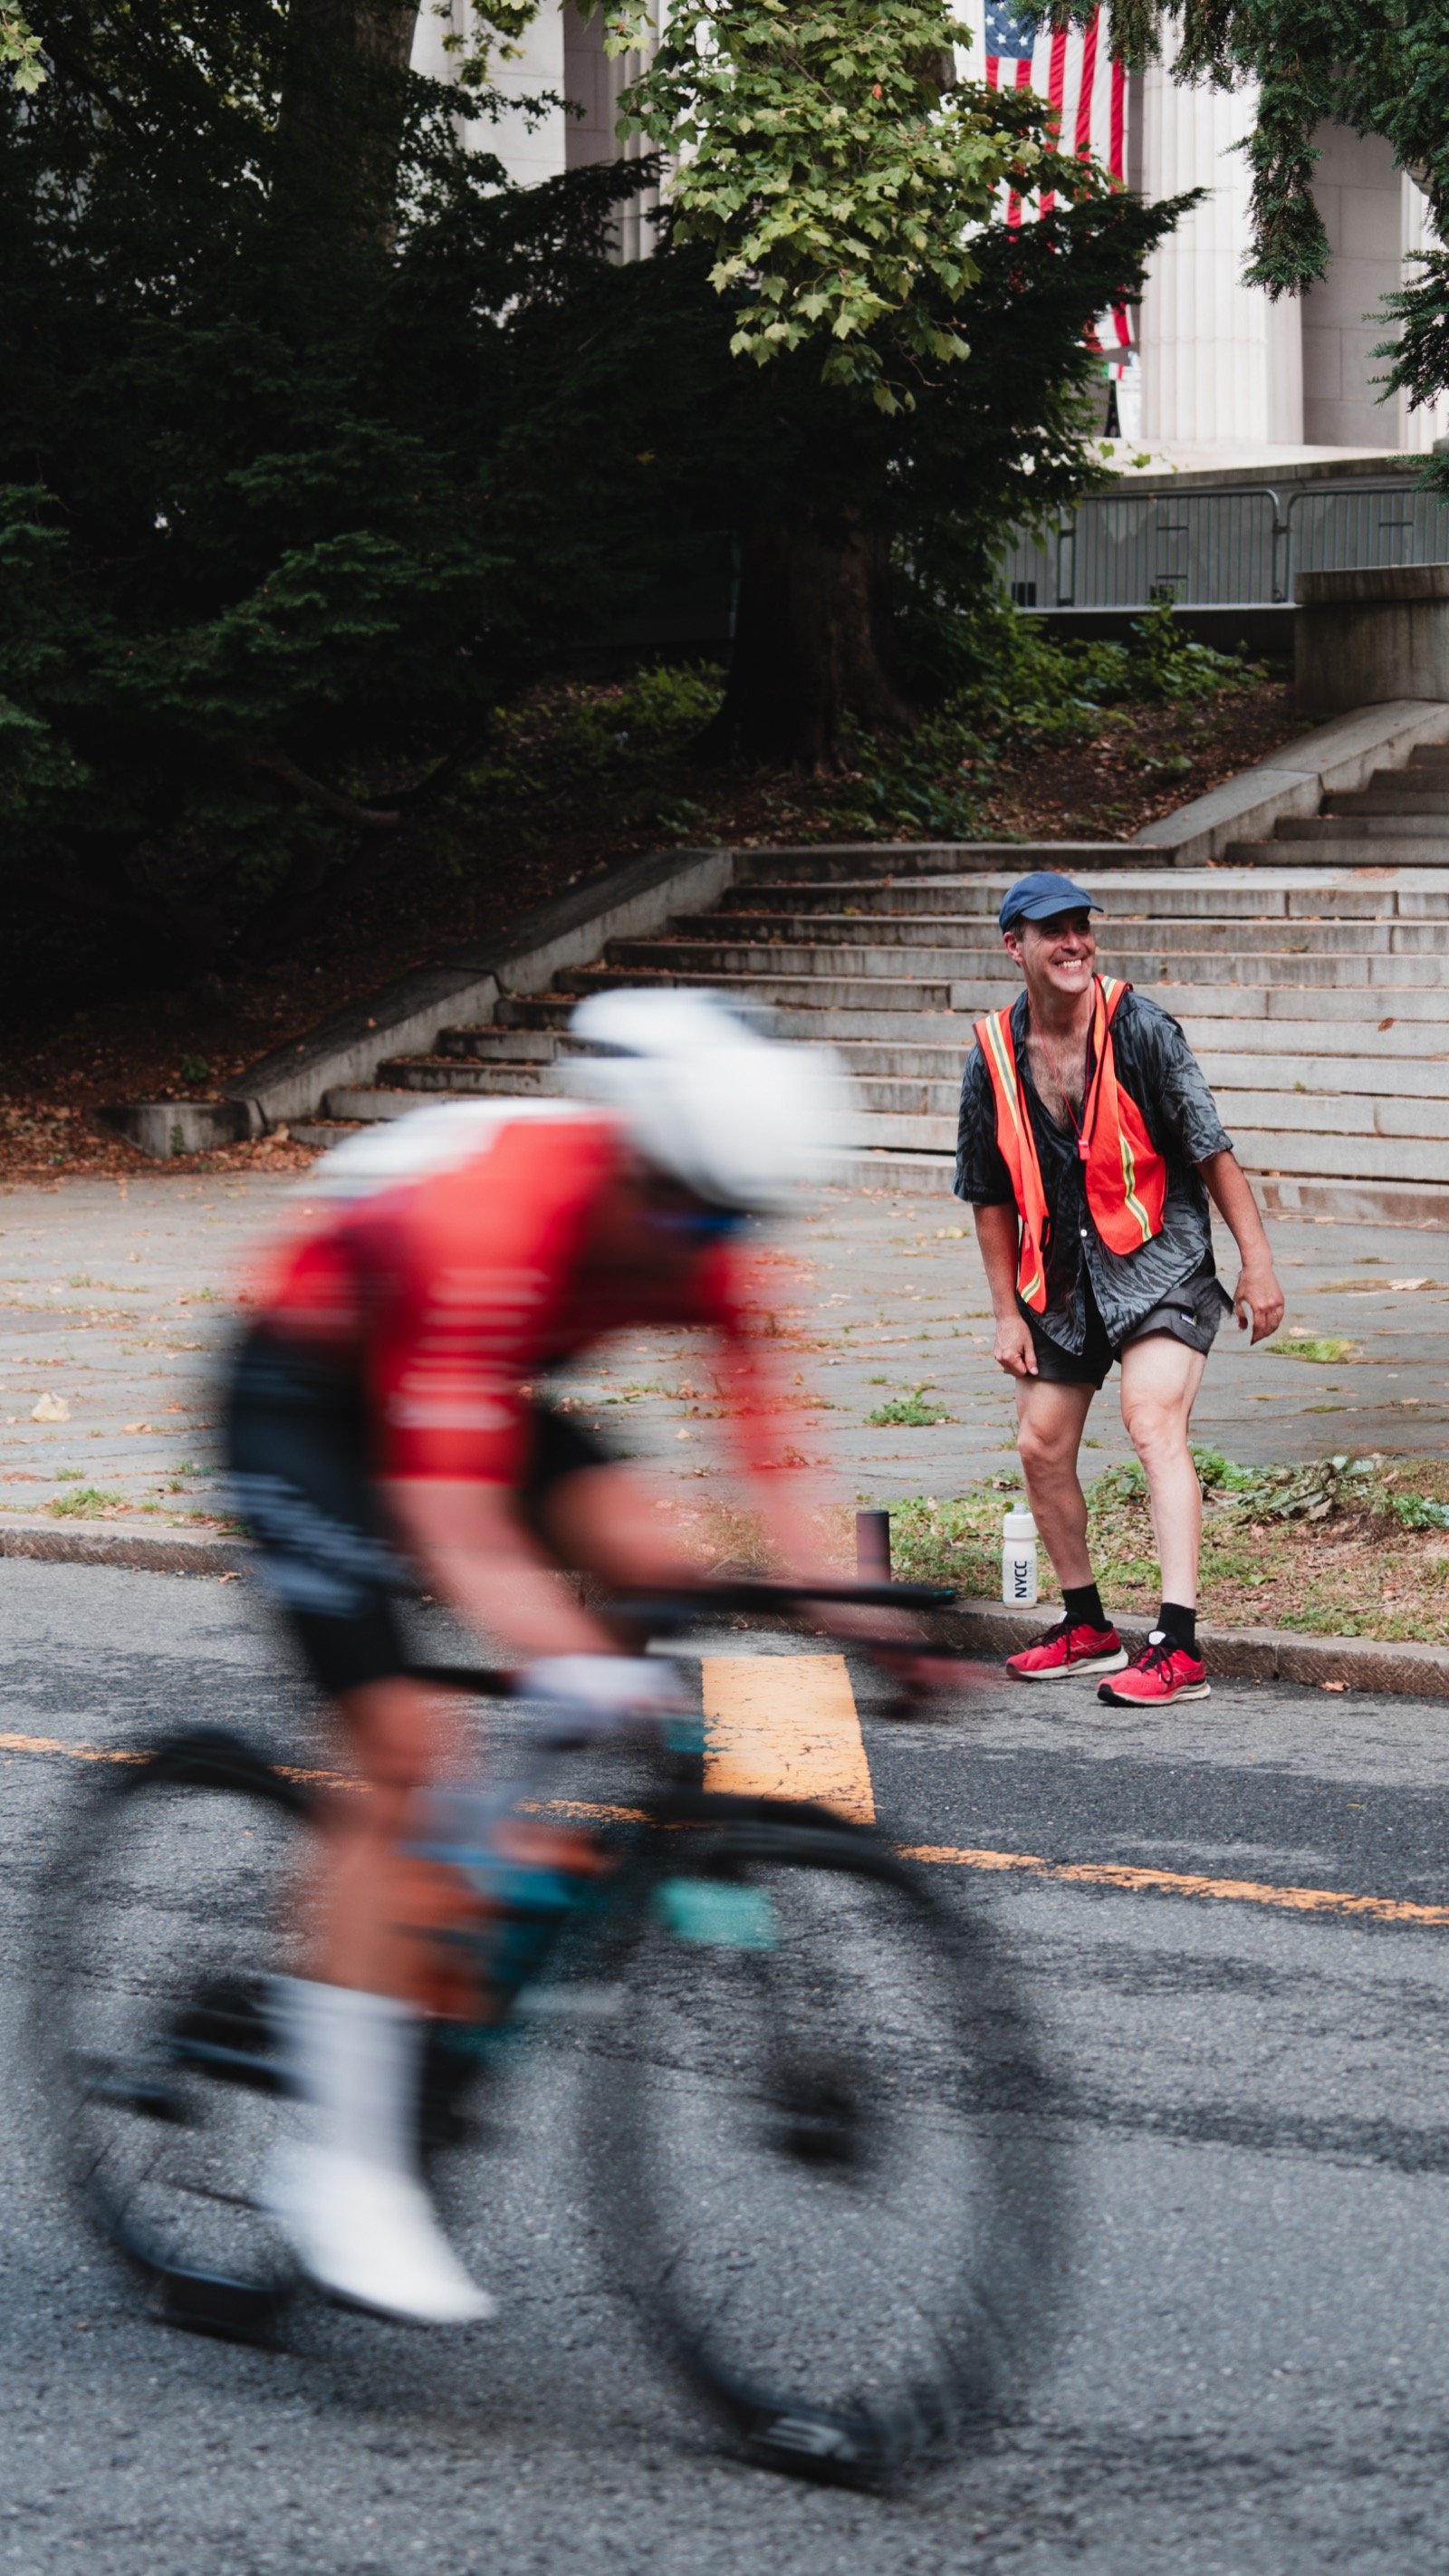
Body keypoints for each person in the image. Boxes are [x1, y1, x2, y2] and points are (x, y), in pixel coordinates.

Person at [226, 991, 875, 2327]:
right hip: (307, 1392)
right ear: (628, 1157)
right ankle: (338, 2173)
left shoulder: (708, 1219)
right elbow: (453, 1520)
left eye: (732, 1224)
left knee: (660, 1564)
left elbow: (772, 1466)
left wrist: (872, 1622)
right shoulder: (494, 1212)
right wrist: (569, 1655)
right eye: (690, 1216)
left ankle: (500, 1856)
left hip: (477, 1388)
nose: (706, 1252)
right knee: (409, 1748)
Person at [954, 871, 1285, 1706]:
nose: (1073, 944)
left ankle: (1177, 1645)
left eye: (1081, 928)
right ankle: (1088, 1625)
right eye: (1052, 931)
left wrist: (1258, 1263)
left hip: (1158, 1261)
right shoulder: (993, 1053)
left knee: (1151, 1420)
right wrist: (1006, 1313)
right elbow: (987, 1194)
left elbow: (1211, 1149)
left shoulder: (1140, 1027)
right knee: (1040, 1443)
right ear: (1015, 947)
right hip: (1060, 1281)